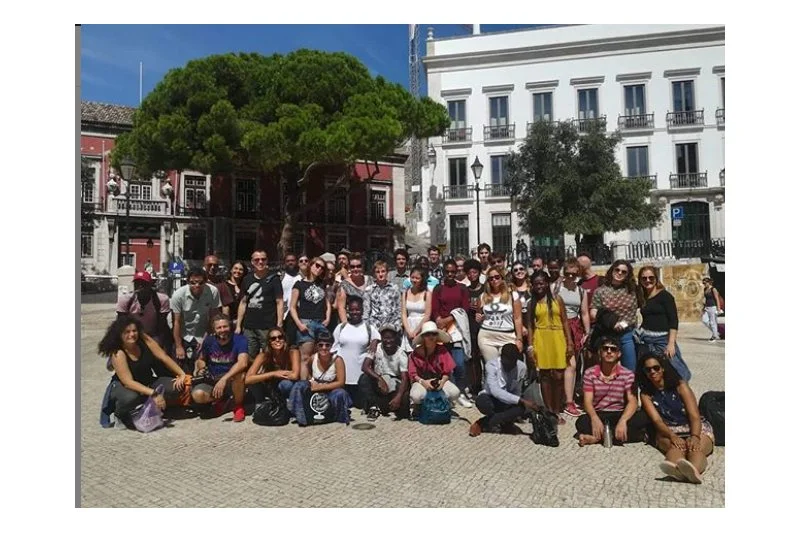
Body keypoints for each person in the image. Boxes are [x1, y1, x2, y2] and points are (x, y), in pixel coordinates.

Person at [637, 353, 714, 484]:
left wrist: (695, 436)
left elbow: (694, 415)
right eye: (648, 369)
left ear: (663, 368)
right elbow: (657, 421)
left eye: (656, 368)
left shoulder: (680, 386)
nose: (652, 372)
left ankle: (693, 471)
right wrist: (672, 436)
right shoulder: (646, 394)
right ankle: (677, 470)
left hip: (694, 427)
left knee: (695, 448)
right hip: (668, 430)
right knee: (676, 448)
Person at [98, 316, 186, 428]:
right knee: (131, 398)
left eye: (134, 331)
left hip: (147, 381)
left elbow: (163, 357)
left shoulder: (144, 340)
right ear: (119, 334)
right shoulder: (118, 353)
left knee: (176, 386)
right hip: (125, 386)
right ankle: (120, 414)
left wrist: (181, 374)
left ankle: (154, 407)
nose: (132, 335)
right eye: (127, 332)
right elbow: (128, 382)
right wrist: (154, 393)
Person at [575, 336, 651, 447]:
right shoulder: (590, 373)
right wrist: (594, 418)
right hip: (600, 413)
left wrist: (623, 420)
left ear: (619, 354)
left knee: (643, 417)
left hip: (619, 413)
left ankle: (597, 438)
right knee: (581, 422)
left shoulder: (628, 375)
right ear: (600, 352)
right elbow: (587, 401)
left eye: (613, 349)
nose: (609, 352)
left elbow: (633, 402)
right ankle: (620, 436)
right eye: (605, 349)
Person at [529, 270, 574, 424]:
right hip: (541, 338)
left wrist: (569, 342)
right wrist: (530, 346)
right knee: (546, 375)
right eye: (536, 284)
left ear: (547, 283)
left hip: (558, 337)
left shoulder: (557, 299)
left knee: (559, 375)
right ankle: (549, 411)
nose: (539, 286)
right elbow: (529, 326)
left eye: (542, 283)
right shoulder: (532, 303)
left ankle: (557, 408)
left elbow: (565, 321)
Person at [636, 266, 692, 382]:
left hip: (662, 339)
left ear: (656, 278)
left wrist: (671, 343)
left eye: (651, 277)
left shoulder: (665, 296)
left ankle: (683, 396)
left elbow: (673, 321)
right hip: (646, 339)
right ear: (640, 280)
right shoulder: (643, 296)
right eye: (644, 278)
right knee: (652, 370)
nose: (647, 281)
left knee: (677, 371)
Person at [431, 258, 473, 407]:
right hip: (441, 330)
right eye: (447, 272)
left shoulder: (462, 288)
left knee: (459, 363)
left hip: (457, 330)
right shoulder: (438, 289)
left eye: (453, 272)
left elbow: (464, 309)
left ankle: (461, 392)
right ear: (443, 272)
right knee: (444, 365)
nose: (450, 274)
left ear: (457, 272)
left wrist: (448, 319)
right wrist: (438, 320)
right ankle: (450, 393)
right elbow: (434, 308)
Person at [287, 330, 352, 426]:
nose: (324, 348)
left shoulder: (338, 360)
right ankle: (300, 416)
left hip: (331, 390)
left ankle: (337, 417)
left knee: (340, 393)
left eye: (327, 345)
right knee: (299, 385)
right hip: (315, 389)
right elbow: (308, 372)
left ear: (331, 346)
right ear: (316, 346)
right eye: (321, 345)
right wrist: (311, 381)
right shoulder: (313, 358)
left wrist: (320, 387)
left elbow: (341, 382)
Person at [552, 257, 591, 417]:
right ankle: (564, 399)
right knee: (565, 365)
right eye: (567, 274)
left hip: (574, 326)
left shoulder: (581, 291)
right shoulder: (555, 287)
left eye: (573, 275)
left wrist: (587, 332)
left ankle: (567, 400)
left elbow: (584, 313)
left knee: (571, 364)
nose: (570, 277)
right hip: (557, 326)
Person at [469, 343, 534, 437]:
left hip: (508, 401)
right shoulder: (491, 365)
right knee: (482, 402)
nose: (510, 366)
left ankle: (488, 422)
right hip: (491, 398)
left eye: (513, 363)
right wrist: (520, 400)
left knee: (521, 409)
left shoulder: (522, 367)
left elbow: (517, 390)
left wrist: (519, 401)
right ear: (501, 357)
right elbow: (495, 391)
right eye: (507, 363)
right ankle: (484, 423)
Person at [191, 316, 248, 422]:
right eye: (219, 328)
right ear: (214, 329)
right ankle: (223, 401)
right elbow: (201, 359)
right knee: (197, 395)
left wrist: (224, 379)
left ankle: (238, 406)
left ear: (230, 326)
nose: (222, 330)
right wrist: (200, 368)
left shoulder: (240, 339)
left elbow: (243, 363)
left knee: (240, 375)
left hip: (231, 378)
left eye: (225, 326)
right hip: (213, 378)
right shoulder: (209, 341)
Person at [590, 260, 639, 371]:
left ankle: (630, 388)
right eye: (617, 270)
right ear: (612, 270)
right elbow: (593, 313)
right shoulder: (600, 291)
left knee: (630, 370)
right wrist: (612, 322)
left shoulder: (633, 290)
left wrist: (624, 324)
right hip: (607, 335)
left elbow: (636, 310)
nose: (620, 273)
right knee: (607, 371)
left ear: (628, 275)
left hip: (627, 334)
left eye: (624, 272)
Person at [170, 267, 222, 373]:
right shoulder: (178, 295)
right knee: (182, 369)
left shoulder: (213, 292)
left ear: (206, 281)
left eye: (200, 282)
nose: (197, 286)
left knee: (204, 367)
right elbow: (176, 322)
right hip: (184, 334)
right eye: (193, 283)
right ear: (188, 281)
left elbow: (213, 319)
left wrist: (205, 339)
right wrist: (179, 346)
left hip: (203, 333)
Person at [236, 250, 284, 361]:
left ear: (267, 261)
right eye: (257, 260)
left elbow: (279, 302)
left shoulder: (274, 279)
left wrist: (279, 324)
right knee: (249, 355)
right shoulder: (247, 279)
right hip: (249, 326)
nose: (260, 262)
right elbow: (243, 303)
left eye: (263, 259)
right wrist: (238, 325)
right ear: (252, 262)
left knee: (268, 355)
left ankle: (267, 377)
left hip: (267, 325)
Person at [333, 295, 380, 407]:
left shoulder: (369, 329)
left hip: (360, 379)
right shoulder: (341, 328)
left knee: (360, 405)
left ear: (362, 310)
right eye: (352, 309)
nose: (355, 312)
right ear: (348, 310)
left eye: (358, 309)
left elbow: (376, 344)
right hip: (343, 379)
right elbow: (334, 350)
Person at [358, 324, 410, 420]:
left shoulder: (401, 354)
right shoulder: (375, 348)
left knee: (404, 401)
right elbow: (365, 366)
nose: (388, 341)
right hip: (379, 381)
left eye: (391, 338)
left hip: (394, 383)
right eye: (385, 338)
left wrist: (398, 396)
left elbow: (404, 378)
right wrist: (379, 378)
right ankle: (374, 406)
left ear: (396, 337)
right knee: (364, 378)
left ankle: (388, 405)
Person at [290, 256, 331, 377]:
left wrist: (327, 318)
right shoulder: (299, 284)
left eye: (322, 268)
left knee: (320, 356)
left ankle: (316, 384)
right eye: (317, 265)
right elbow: (292, 306)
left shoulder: (323, 284)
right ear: (310, 265)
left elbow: (327, 304)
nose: (319, 269)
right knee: (305, 358)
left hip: (321, 322)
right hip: (306, 322)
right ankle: (304, 386)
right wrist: (299, 324)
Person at [476, 267, 524, 361]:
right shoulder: (483, 297)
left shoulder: (512, 295)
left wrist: (519, 339)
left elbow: (518, 318)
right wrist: (478, 318)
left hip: (507, 336)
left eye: (497, 277)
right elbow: (479, 316)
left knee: (507, 367)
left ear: (502, 278)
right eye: (491, 278)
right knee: (492, 368)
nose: (494, 280)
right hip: (487, 337)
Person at [116, 271, 172, 352]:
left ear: (150, 285)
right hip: (132, 334)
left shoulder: (161, 300)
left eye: (143, 283)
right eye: (137, 283)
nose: (140, 286)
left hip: (153, 334)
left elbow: (162, 325)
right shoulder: (125, 300)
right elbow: (121, 323)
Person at [407, 321, 460, 406]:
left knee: (455, 393)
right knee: (415, 396)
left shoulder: (442, 350)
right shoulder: (415, 353)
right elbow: (413, 374)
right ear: (423, 337)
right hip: (422, 381)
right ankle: (421, 406)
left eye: (434, 334)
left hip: (439, 380)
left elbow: (447, 372)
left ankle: (442, 403)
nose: (431, 337)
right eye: (427, 334)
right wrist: (423, 382)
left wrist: (442, 382)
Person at [245, 327, 301, 402]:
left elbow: (295, 375)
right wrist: (274, 374)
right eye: (273, 338)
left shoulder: (293, 352)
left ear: (284, 339)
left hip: (285, 384)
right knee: (254, 383)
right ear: (269, 342)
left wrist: (278, 375)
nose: (277, 340)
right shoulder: (263, 355)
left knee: (286, 384)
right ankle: (260, 403)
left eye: (280, 337)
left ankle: (287, 404)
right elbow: (248, 379)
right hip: (269, 384)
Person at [463, 259, 485, 394]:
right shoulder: (465, 290)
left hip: (483, 326)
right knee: (473, 357)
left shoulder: (485, 288)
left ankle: (487, 383)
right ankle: (475, 384)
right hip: (470, 325)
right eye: (469, 273)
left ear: (479, 273)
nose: (472, 275)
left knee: (484, 356)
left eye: (475, 272)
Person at [336, 253, 374, 325]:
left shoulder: (371, 280)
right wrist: (346, 325)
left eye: (358, 266)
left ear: (362, 267)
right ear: (349, 268)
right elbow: (341, 308)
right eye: (352, 267)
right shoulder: (344, 285)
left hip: (371, 323)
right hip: (352, 323)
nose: (355, 269)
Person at [401, 266, 432, 348]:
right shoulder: (406, 293)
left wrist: (415, 332)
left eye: (417, 278)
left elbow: (427, 316)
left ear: (422, 279)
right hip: (408, 326)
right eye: (412, 277)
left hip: (422, 327)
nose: (414, 280)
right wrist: (408, 331)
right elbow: (404, 314)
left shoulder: (427, 294)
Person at [368, 260, 402, 331]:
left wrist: (397, 326)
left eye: (383, 271)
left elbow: (399, 309)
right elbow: (366, 311)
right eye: (377, 272)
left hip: (391, 326)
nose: (380, 274)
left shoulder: (394, 288)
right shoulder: (369, 290)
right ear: (374, 274)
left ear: (387, 273)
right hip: (374, 326)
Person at [509, 261, 533, 354]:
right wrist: (521, 327)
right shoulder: (510, 290)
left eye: (521, 269)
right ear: (513, 274)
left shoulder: (532, 287)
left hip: (532, 325)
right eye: (516, 270)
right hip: (517, 328)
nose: (519, 271)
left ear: (526, 271)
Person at [219, 261, 247, 329]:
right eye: (236, 268)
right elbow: (224, 307)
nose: (238, 271)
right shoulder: (223, 286)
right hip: (227, 323)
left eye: (241, 269)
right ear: (231, 270)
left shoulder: (245, 286)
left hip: (243, 323)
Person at [701, 277, 723, 342]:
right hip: (707, 307)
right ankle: (716, 332)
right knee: (704, 320)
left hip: (713, 307)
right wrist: (703, 308)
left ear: (709, 282)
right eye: (703, 283)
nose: (704, 284)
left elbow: (717, 299)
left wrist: (718, 308)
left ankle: (714, 336)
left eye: (705, 283)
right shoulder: (705, 289)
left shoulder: (713, 289)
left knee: (713, 322)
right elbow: (705, 299)